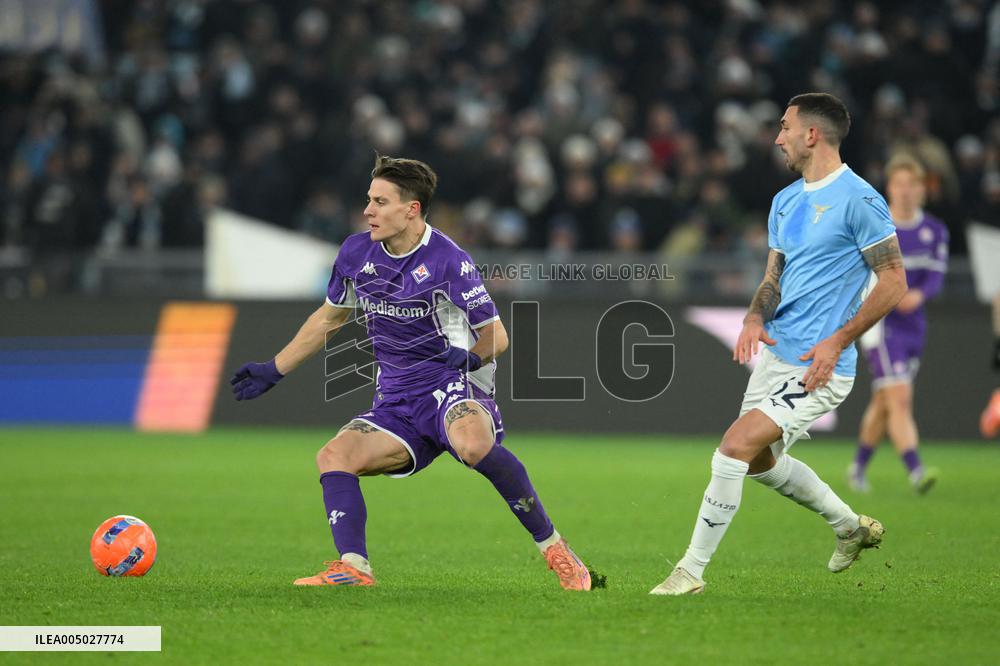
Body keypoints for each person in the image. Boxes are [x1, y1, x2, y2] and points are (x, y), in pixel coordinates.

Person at [230, 155, 592, 590]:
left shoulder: (449, 261)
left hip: (453, 387)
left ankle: (555, 548)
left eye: (380, 202)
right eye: (369, 200)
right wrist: (275, 369)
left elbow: (497, 336)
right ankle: (353, 567)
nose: (368, 211)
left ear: (411, 209)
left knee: (473, 445)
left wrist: (471, 359)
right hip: (397, 403)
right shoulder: (355, 252)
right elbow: (328, 319)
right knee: (333, 456)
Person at [651, 93, 908, 596]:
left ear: (811, 134)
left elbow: (894, 281)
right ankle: (849, 525)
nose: (778, 137)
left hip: (822, 364)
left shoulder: (860, 200)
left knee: (732, 447)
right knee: (758, 462)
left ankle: (690, 572)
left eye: (785, 127)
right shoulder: (786, 200)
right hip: (777, 355)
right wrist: (753, 315)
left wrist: (838, 340)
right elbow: (775, 277)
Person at [850, 155, 948, 493]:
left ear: (922, 189)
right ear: (889, 189)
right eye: (899, 184)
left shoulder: (934, 230)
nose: (905, 191)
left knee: (884, 402)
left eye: (912, 184)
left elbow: (936, 276)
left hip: (913, 326)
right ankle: (916, 470)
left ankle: (858, 468)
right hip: (881, 323)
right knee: (900, 397)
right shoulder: (878, 227)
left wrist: (918, 295)